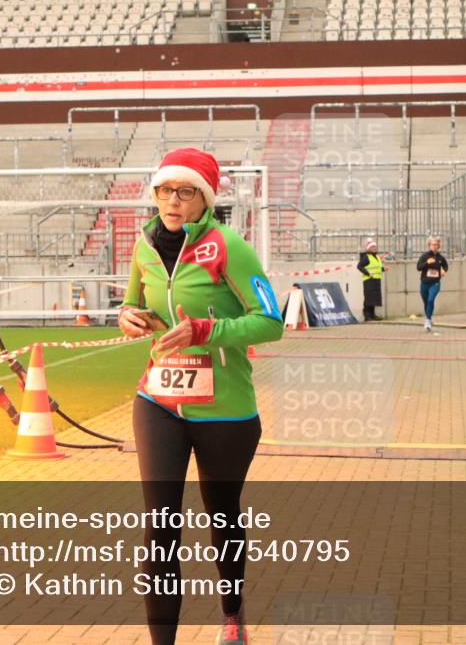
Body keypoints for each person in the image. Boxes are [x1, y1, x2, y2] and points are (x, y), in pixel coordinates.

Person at [118, 148, 283, 645]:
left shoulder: (229, 246)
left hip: (225, 409)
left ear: (204, 198)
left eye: (184, 191)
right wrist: (127, 318)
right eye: (164, 189)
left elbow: (271, 321)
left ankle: (232, 616)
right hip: (159, 401)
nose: (172, 199)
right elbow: (130, 302)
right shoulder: (143, 245)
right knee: (160, 523)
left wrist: (205, 330)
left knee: (222, 512)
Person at [416, 235, 449, 332]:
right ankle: (429, 318)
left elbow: (445, 266)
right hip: (424, 283)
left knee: (431, 299)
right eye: (432, 244)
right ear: (429, 245)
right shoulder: (424, 256)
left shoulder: (440, 257)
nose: (434, 246)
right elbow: (418, 267)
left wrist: (443, 271)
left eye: (436, 245)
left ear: (439, 246)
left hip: (435, 283)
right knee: (426, 302)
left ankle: (428, 320)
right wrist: (427, 262)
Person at [357, 238, 387, 321]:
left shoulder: (376, 257)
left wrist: (383, 269)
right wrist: (368, 273)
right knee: (368, 298)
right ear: (368, 248)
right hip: (368, 280)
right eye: (372, 247)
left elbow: (377, 268)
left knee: (374, 298)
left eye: (375, 247)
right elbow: (359, 266)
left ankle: (372, 315)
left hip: (376, 280)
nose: (374, 248)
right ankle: (367, 316)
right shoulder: (366, 257)